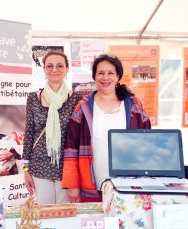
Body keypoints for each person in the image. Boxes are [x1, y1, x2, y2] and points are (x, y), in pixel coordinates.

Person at [62, 54, 151, 203]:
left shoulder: (134, 105)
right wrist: (72, 184)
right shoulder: (83, 107)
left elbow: (148, 142)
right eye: (101, 73)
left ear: (118, 76)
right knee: (94, 225)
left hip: (129, 185)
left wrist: (147, 179)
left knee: (124, 225)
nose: (105, 77)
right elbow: (70, 147)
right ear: (94, 76)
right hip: (91, 186)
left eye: (110, 73)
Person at [22, 50, 83, 204]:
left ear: (67, 70)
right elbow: (29, 133)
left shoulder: (76, 99)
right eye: (49, 66)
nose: (54, 70)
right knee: (45, 214)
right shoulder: (33, 98)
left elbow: (79, 137)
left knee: (65, 213)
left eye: (59, 66)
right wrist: (25, 170)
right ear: (44, 70)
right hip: (39, 165)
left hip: (66, 165)